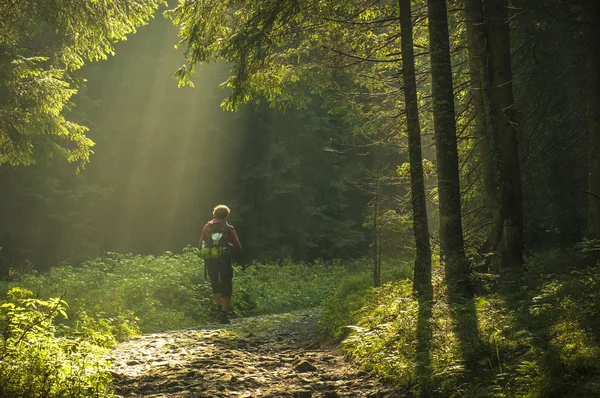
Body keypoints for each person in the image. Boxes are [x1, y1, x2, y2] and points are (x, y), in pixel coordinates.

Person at [200, 204, 242, 324]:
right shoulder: (228, 228)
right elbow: (238, 246)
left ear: (214, 214)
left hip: (210, 259)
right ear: (226, 216)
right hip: (224, 259)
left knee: (215, 283)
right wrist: (228, 246)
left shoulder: (207, 227)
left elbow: (200, 244)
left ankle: (219, 310)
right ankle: (224, 313)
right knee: (226, 283)